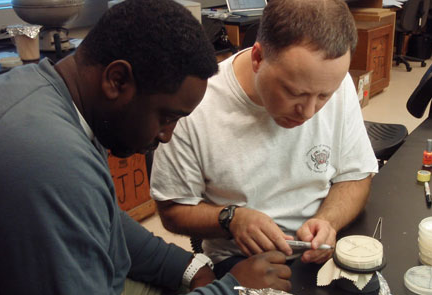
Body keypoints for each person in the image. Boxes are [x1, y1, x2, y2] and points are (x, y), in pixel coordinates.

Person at [0, 0, 292, 295]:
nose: (166, 136)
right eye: (167, 117)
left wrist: (186, 265)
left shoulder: (42, 91)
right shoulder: (51, 160)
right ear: (117, 79)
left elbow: (102, 219)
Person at [151, 0, 379, 278]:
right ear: (258, 58)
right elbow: (172, 209)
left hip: (319, 255)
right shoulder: (197, 104)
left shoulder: (333, 79)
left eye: (323, 97)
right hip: (243, 263)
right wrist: (230, 218)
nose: (308, 112)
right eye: (295, 93)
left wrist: (327, 221)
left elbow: (355, 176)